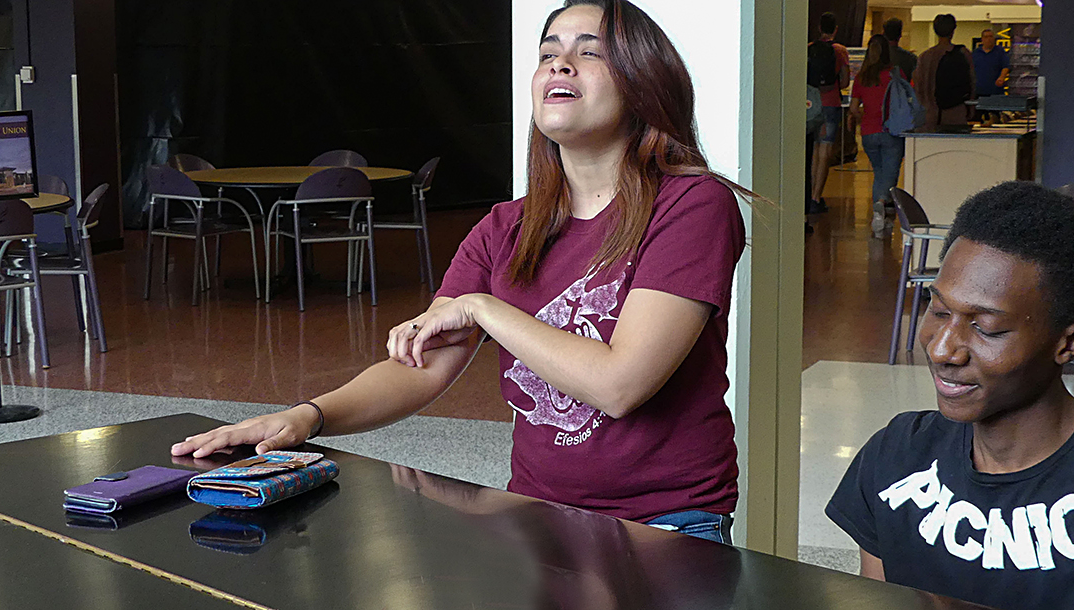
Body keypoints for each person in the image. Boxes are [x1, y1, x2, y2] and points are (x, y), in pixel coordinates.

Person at [172, 0, 754, 545]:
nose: (560, 62)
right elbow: (421, 369)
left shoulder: (693, 205)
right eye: (548, 52)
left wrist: (482, 307)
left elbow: (620, 385)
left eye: (590, 51)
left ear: (643, 80)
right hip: (540, 514)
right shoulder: (505, 228)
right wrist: (307, 418)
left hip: (668, 525)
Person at [825, 182, 1074, 610]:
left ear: (1070, 343)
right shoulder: (896, 454)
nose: (942, 348)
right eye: (939, 311)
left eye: (986, 328)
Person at [848, 34, 903, 234]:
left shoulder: (862, 77)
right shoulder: (895, 74)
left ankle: (882, 218)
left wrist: (864, 118)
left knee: (879, 173)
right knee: (890, 173)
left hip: (869, 132)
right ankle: (880, 206)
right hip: (892, 130)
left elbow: (854, 107)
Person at [808, 11, 849, 213]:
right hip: (830, 103)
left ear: (818, 28)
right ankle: (816, 197)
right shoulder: (840, 50)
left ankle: (808, 195)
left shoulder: (809, 49)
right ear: (835, 29)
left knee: (813, 151)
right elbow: (844, 81)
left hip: (810, 105)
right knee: (825, 151)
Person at [913, 14, 974, 129]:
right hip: (956, 112)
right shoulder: (963, 53)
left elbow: (918, 86)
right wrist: (970, 108)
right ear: (953, 31)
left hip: (929, 113)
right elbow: (972, 82)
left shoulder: (925, 56)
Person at [971, 29, 1010, 99]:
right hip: (979, 91)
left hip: (995, 91)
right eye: (986, 37)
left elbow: (1006, 66)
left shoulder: (1000, 51)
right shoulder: (976, 53)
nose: (989, 39)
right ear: (982, 39)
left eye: (991, 36)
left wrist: (1002, 77)